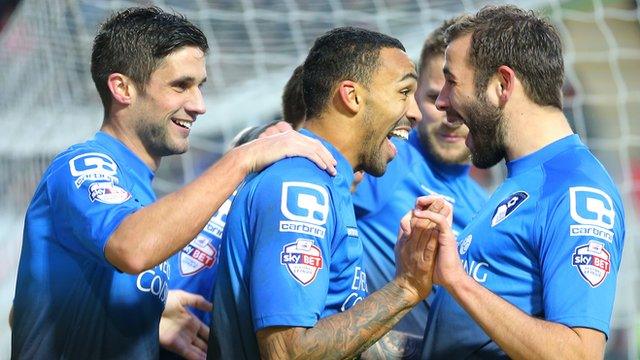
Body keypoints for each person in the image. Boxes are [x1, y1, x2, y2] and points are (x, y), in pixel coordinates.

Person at [11, 6, 337, 359]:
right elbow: (133, 247)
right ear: (122, 88)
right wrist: (244, 157)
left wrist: (149, 313)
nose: (199, 105)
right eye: (181, 85)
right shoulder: (82, 164)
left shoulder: (139, 192)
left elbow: (24, 309)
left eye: (199, 86)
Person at [210, 26, 446, 359]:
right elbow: (288, 352)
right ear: (351, 97)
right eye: (404, 92)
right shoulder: (303, 189)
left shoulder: (328, 183)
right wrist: (405, 288)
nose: (415, 112)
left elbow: (335, 331)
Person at [416, 5, 625, 358]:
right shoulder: (522, 181)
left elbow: (580, 353)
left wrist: (457, 280)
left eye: (452, 82)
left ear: (502, 85)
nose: (442, 101)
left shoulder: (576, 192)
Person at [352, 18, 487, 350]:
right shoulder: (388, 163)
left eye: (462, 98)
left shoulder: (486, 206)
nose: (449, 114)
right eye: (435, 98)